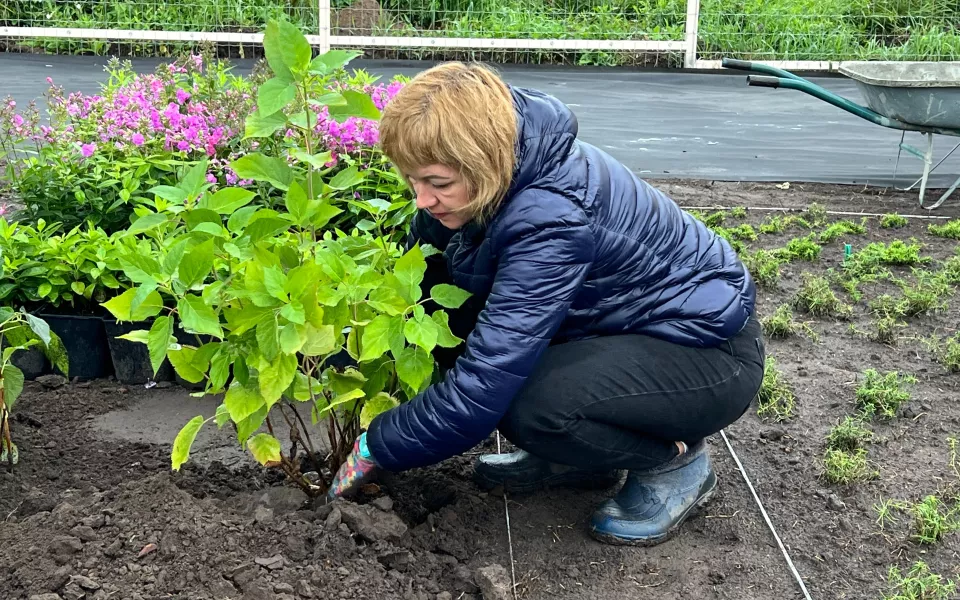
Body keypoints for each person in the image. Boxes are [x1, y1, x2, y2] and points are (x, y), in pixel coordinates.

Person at [327, 62, 766, 546]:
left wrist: (376, 444)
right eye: (413, 181)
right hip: (619, 331)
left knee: (529, 405)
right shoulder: (478, 188)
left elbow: (480, 391)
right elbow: (427, 299)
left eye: (437, 183)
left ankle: (675, 462)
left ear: (483, 161)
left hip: (706, 354)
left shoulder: (549, 217)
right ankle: (578, 458)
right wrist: (345, 359)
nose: (422, 199)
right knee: (470, 344)